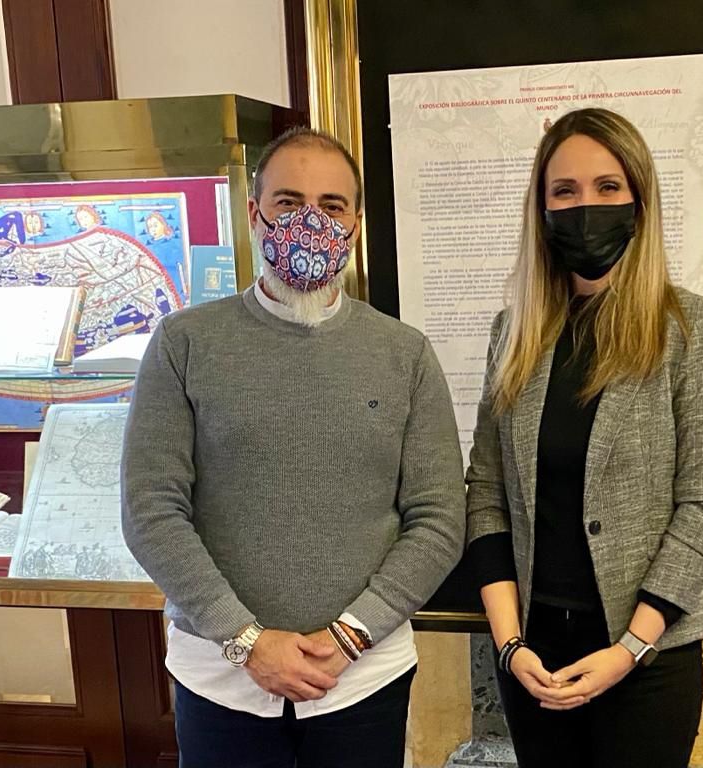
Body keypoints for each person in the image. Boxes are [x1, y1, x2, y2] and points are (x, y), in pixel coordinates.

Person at [122, 126, 466, 768]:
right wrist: (245, 640)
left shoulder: (404, 354)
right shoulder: (184, 344)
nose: (310, 220)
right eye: (288, 202)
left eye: (331, 206)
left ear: (356, 223)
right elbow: (152, 510)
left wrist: (351, 634)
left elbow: (440, 520)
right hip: (219, 682)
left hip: (363, 680)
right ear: (255, 214)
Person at [465, 107, 703, 768]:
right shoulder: (515, 333)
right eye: (565, 192)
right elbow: (486, 495)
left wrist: (630, 648)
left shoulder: (692, 328)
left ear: (638, 200)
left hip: (647, 658)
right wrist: (509, 646)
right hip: (533, 658)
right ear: (543, 209)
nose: (585, 206)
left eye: (607, 187)